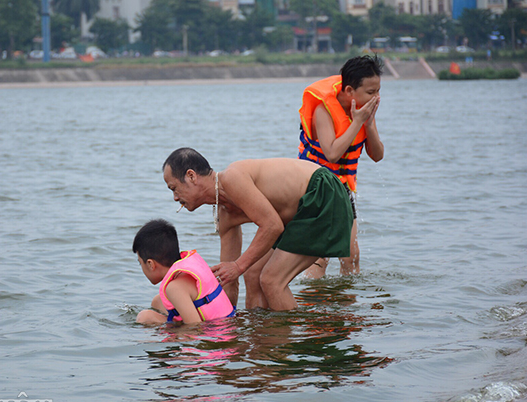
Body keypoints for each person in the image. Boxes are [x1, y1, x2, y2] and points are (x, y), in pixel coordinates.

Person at [162, 148, 353, 311]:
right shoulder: (225, 215)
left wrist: (238, 266)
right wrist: (222, 325)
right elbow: (229, 279)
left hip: (323, 191)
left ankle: (295, 343)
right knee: (253, 274)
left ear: (191, 176)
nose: (175, 198)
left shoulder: (232, 178)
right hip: (299, 213)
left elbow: (272, 226)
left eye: (174, 188)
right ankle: (261, 338)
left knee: (271, 280)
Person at [297, 55, 385, 278]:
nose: (376, 97)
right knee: (319, 257)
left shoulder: (364, 110)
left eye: (378, 91)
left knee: (351, 255)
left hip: (341, 187)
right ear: (349, 91)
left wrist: (369, 124)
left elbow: (377, 155)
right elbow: (333, 154)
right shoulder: (323, 110)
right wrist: (357, 122)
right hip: (315, 186)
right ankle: (313, 306)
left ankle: (347, 308)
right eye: (370, 92)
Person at [133, 219, 235, 325]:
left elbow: (194, 328)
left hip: (216, 334)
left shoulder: (174, 288)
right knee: (157, 301)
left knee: (144, 317)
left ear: (150, 264)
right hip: (225, 322)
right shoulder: (188, 265)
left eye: (141, 263)